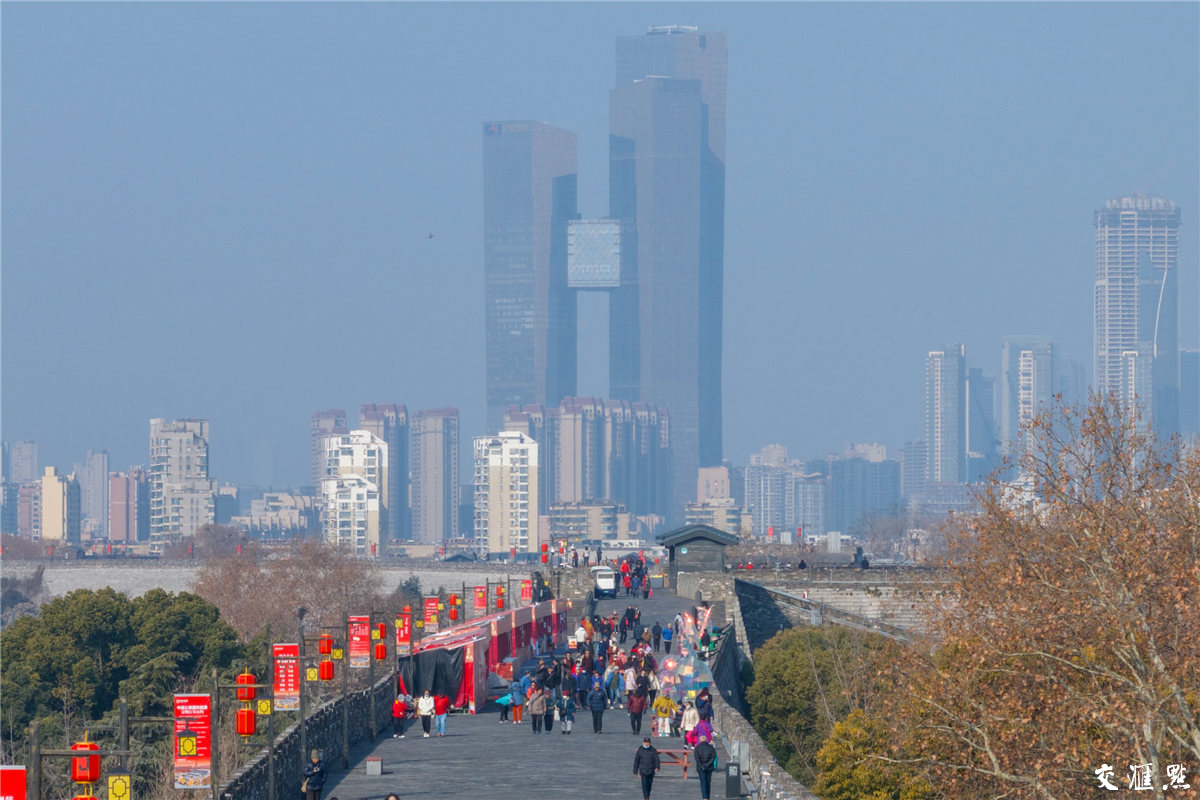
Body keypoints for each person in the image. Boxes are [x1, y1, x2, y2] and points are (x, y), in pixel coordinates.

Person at [693, 734, 718, 800]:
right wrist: (708, 764)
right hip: (709, 768)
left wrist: (701, 765)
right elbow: (713, 756)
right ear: (706, 740)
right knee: (708, 782)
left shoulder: (697, 748)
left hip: (701, 768)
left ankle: (705, 797)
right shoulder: (710, 747)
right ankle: (708, 796)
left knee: (703, 782)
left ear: (700, 740)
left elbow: (697, 758)